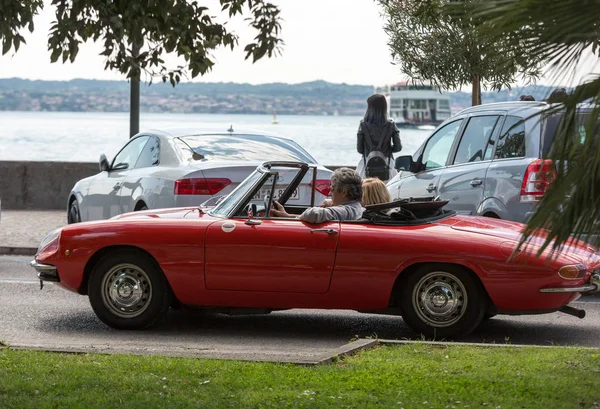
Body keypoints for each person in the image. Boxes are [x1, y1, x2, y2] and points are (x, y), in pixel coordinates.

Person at [270, 167, 363, 223]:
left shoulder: (346, 211)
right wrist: (287, 216)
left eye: (332, 189)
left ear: (344, 192)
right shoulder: (357, 209)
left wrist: (325, 208)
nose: (330, 193)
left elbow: (313, 214)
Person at [356, 94, 402, 181]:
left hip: (366, 166)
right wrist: (387, 150)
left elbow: (360, 149)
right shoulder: (391, 125)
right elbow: (398, 147)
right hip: (387, 166)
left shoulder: (363, 125)